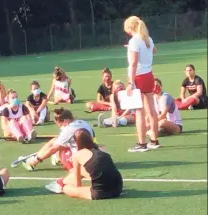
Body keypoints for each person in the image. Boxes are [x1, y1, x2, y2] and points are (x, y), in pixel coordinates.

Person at [44, 129, 123, 200]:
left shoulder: (77, 155)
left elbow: (77, 184)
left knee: (67, 189)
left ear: (76, 142)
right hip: (118, 189)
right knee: (84, 170)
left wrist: (67, 182)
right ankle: (61, 181)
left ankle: (61, 183)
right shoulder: (102, 151)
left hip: (101, 193)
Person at [123, 15, 160, 152]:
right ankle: (154, 140)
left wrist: (130, 82)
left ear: (129, 28)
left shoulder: (135, 41)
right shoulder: (147, 38)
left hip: (138, 77)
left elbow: (133, 64)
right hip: (149, 75)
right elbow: (154, 50)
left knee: (139, 112)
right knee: (151, 110)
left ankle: (141, 143)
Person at [21, 108, 95, 171]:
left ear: (65, 121)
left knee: (58, 148)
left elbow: (53, 149)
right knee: (55, 140)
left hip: (80, 162)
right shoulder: (83, 122)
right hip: (91, 155)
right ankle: (40, 157)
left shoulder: (68, 129)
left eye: (60, 125)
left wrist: (38, 160)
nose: (61, 127)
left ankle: (32, 162)